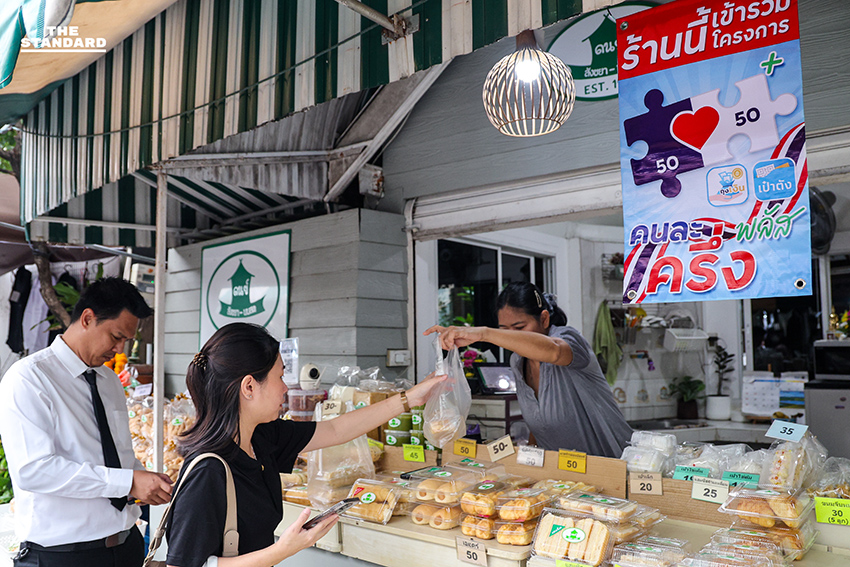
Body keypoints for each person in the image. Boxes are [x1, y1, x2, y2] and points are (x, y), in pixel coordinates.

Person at [165, 322, 444, 567]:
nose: (286, 387)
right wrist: (281, 551)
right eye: (280, 376)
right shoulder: (209, 471)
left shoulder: (262, 437)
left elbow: (335, 429)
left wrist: (410, 399)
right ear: (249, 387)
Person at [0, 277, 174, 567]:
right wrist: (128, 482)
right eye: (116, 336)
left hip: (125, 545)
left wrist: (146, 480)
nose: (120, 350)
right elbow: (34, 470)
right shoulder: (28, 378)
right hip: (64, 556)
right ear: (88, 318)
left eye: (127, 341)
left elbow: (117, 456)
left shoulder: (109, 381)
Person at [425, 281, 632, 458]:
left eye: (519, 328)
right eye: (504, 330)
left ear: (544, 319)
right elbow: (540, 425)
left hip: (611, 463)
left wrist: (485, 333)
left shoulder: (569, 339)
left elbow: (554, 351)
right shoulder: (518, 361)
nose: (511, 337)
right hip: (565, 478)